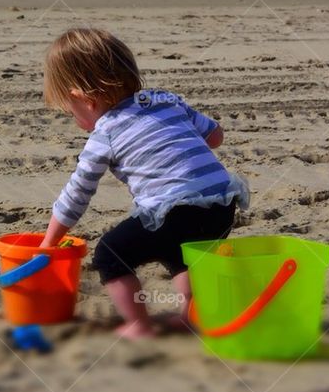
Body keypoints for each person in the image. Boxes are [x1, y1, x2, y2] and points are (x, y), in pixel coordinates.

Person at [39, 27, 249, 338]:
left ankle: (138, 324)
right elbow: (216, 136)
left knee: (110, 255)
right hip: (222, 202)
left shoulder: (105, 133)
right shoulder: (164, 99)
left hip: (175, 208)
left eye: (71, 112)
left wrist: (48, 243)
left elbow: (77, 194)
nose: (76, 120)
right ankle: (194, 315)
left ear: (82, 99)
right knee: (182, 252)